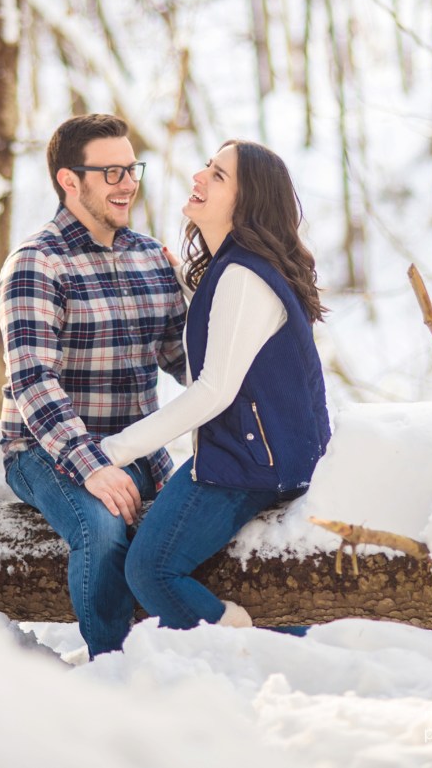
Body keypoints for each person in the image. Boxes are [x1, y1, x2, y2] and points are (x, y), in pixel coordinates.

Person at [101, 140, 331, 632]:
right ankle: (277, 644)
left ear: (246, 203)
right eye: (208, 166)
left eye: (219, 175)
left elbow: (213, 391)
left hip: (247, 464)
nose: (199, 177)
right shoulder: (234, 270)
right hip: (263, 455)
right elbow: (229, 338)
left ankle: (243, 644)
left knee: (150, 570)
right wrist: (184, 279)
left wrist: (113, 452)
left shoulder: (243, 277)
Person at [0, 113, 186, 657]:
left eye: (132, 168)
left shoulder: (150, 256)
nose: (128, 184)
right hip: (47, 451)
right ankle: (114, 670)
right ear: (69, 181)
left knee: (198, 522)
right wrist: (93, 466)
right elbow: (34, 382)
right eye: (111, 172)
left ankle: (194, 659)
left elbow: (186, 360)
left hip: (137, 449)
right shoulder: (36, 263)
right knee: (103, 532)